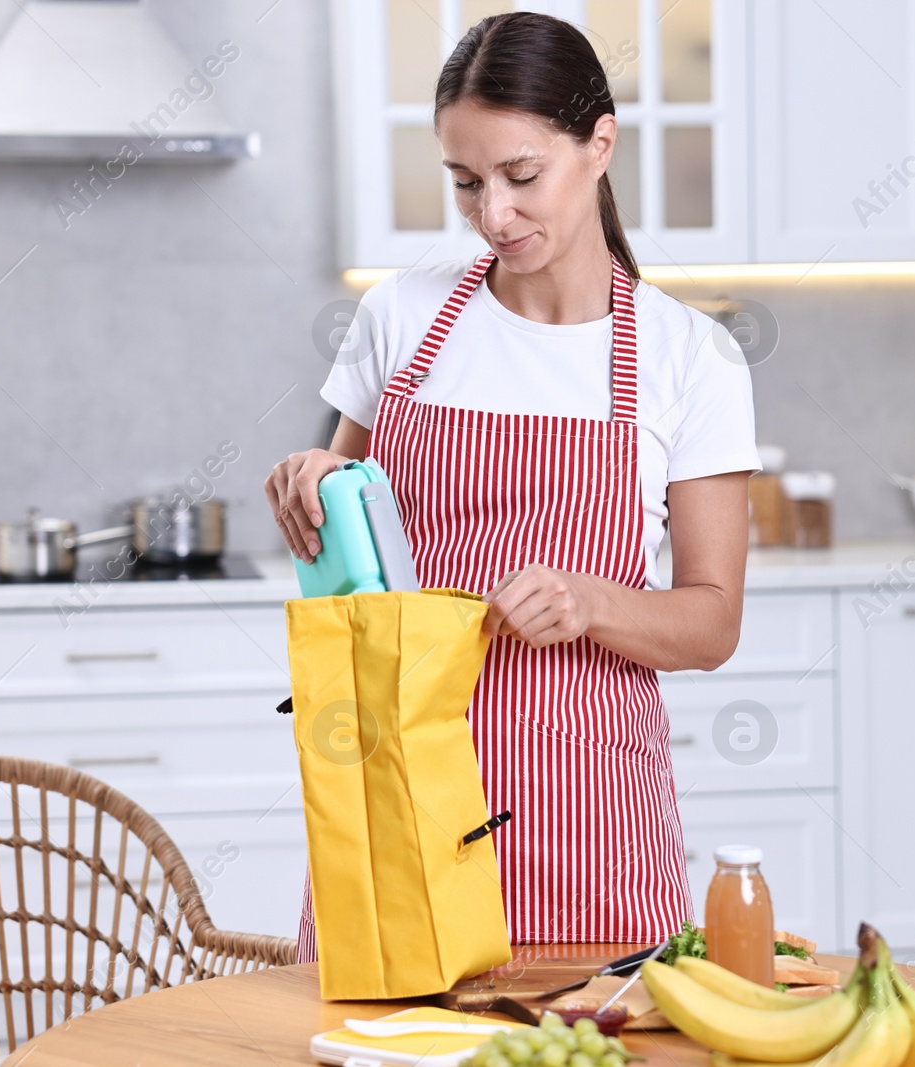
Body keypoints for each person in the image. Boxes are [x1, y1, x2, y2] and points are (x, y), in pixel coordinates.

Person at [265, 11, 760, 957]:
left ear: (599, 145)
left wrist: (591, 601)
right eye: (465, 183)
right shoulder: (399, 319)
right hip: (398, 784)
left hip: (584, 811)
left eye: (521, 175)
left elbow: (711, 623)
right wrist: (315, 481)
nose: (494, 214)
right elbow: (355, 538)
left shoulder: (689, 357)